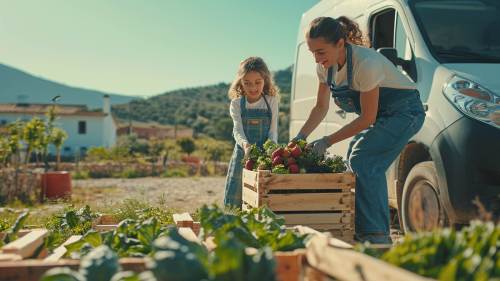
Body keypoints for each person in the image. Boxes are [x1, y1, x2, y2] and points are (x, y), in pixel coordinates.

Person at [290, 16, 425, 244]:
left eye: (321, 52)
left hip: (406, 113)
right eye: (313, 52)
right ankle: (362, 228)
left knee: (364, 160)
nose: (317, 58)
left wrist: (326, 141)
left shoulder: (366, 64)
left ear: (340, 44)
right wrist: (300, 137)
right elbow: (321, 107)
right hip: (384, 116)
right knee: (354, 154)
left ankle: (377, 237)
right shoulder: (325, 69)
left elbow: (367, 118)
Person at [224, 56, 279, 208]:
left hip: (265, 157)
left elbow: (273, 132)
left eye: (257, 82)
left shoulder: (271, 101)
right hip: (242, 155)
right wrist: (246, 146)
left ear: (265, 80)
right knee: (235, 202)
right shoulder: (236, 104)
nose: (253, 88)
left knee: (261, 201)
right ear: (240, 82)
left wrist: (271, 151)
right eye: (247, 83)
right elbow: (237, 130)